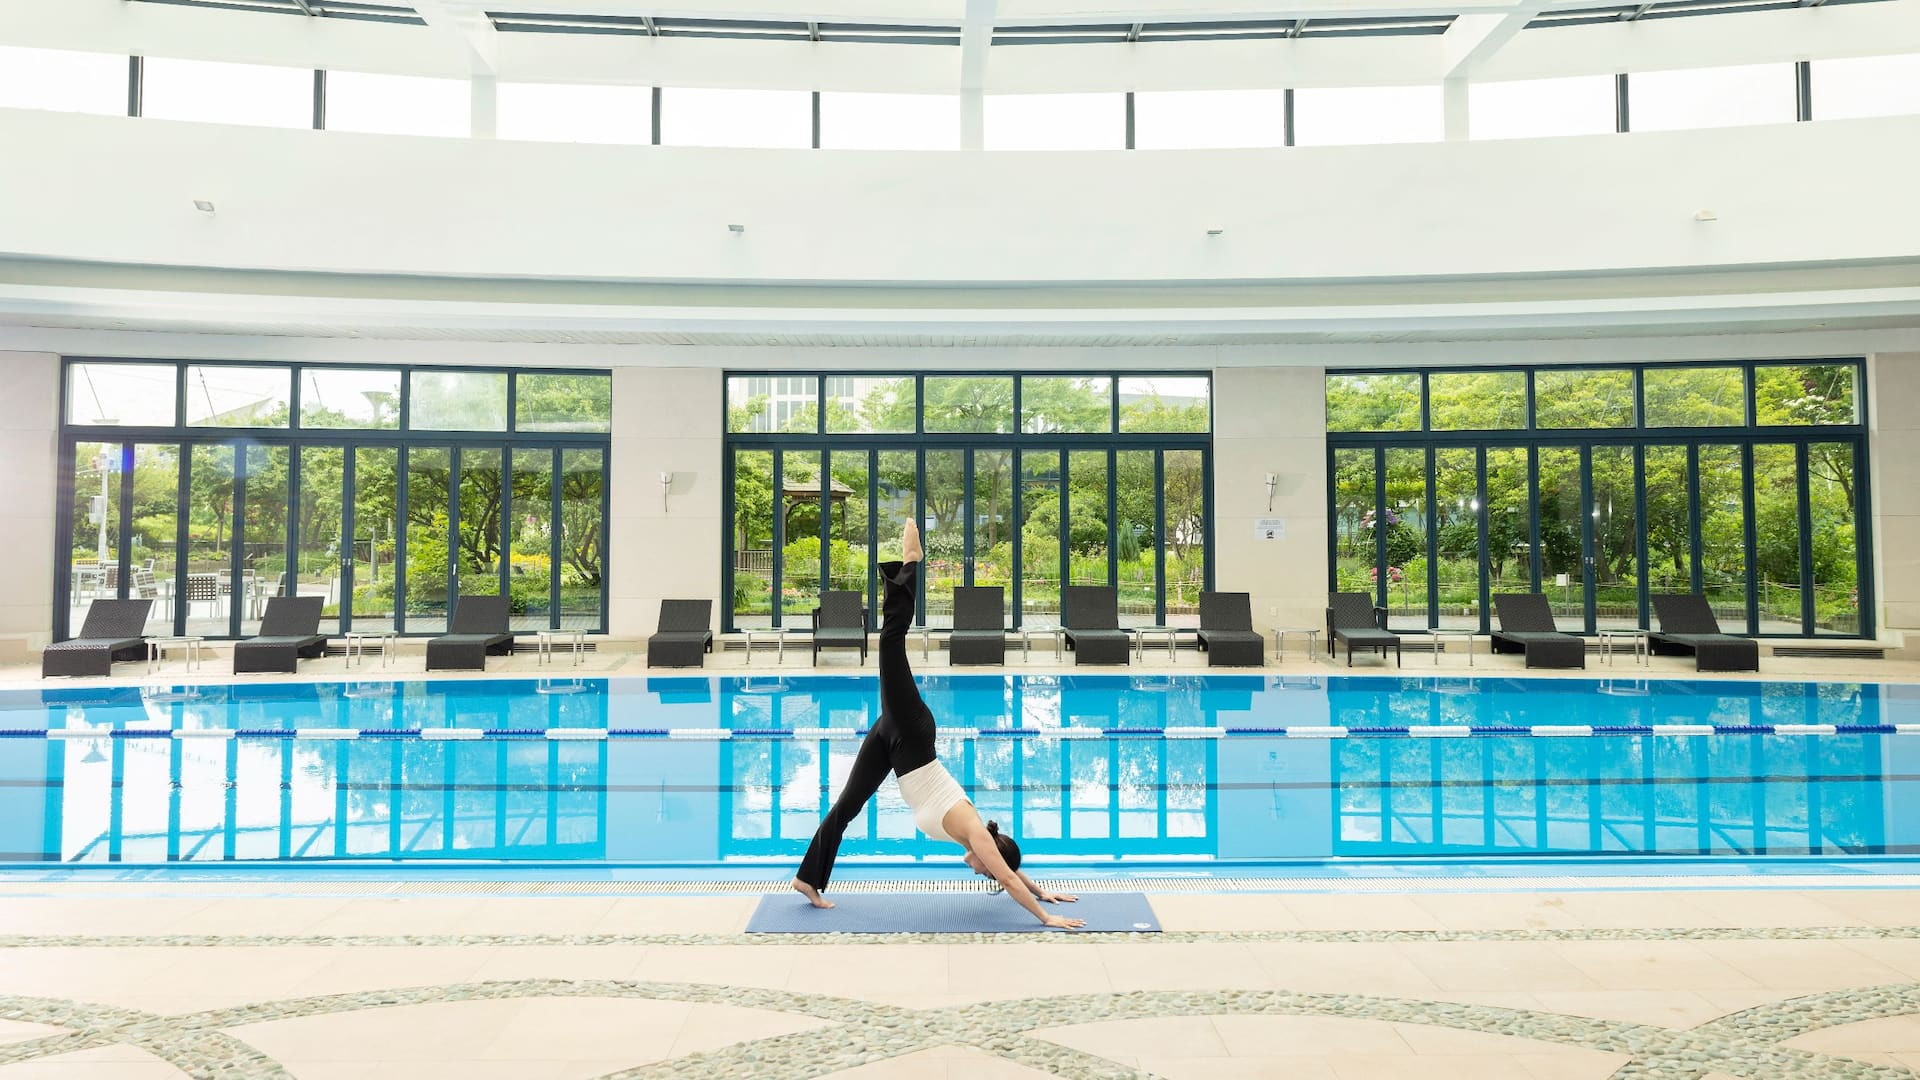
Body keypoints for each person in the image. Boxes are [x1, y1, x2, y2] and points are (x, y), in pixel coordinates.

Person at [792, 519, 1085, 929]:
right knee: (891, 644)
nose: (981, 874)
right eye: (986, 871)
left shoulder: (976, 841)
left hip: (894, 744)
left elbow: (1008, 871)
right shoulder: (975, 832)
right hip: (911, 734)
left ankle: (807, 879)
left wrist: (1041, 889)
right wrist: (1045, 916)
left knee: (847, 805)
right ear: (990, 854)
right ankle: (909, 566)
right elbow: (1005, 872)